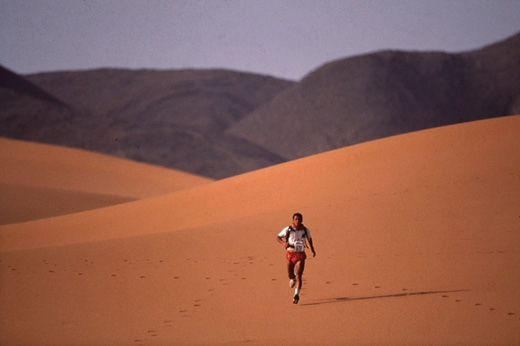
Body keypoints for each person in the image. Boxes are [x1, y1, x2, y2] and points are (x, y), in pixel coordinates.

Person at [276, 212, 316, 304]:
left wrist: (313, 250)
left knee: (299, 274)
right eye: (296, 219)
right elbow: (278, 237)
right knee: (290, 275)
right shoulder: (288, 229)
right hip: (290, 254)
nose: (297, 221)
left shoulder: (306, 230)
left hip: (300, 255)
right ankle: (292, 278)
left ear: (302, 220)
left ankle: (296, 294)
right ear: (293, 220)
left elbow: (309, 239)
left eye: (299, 219)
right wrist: (283, 243)